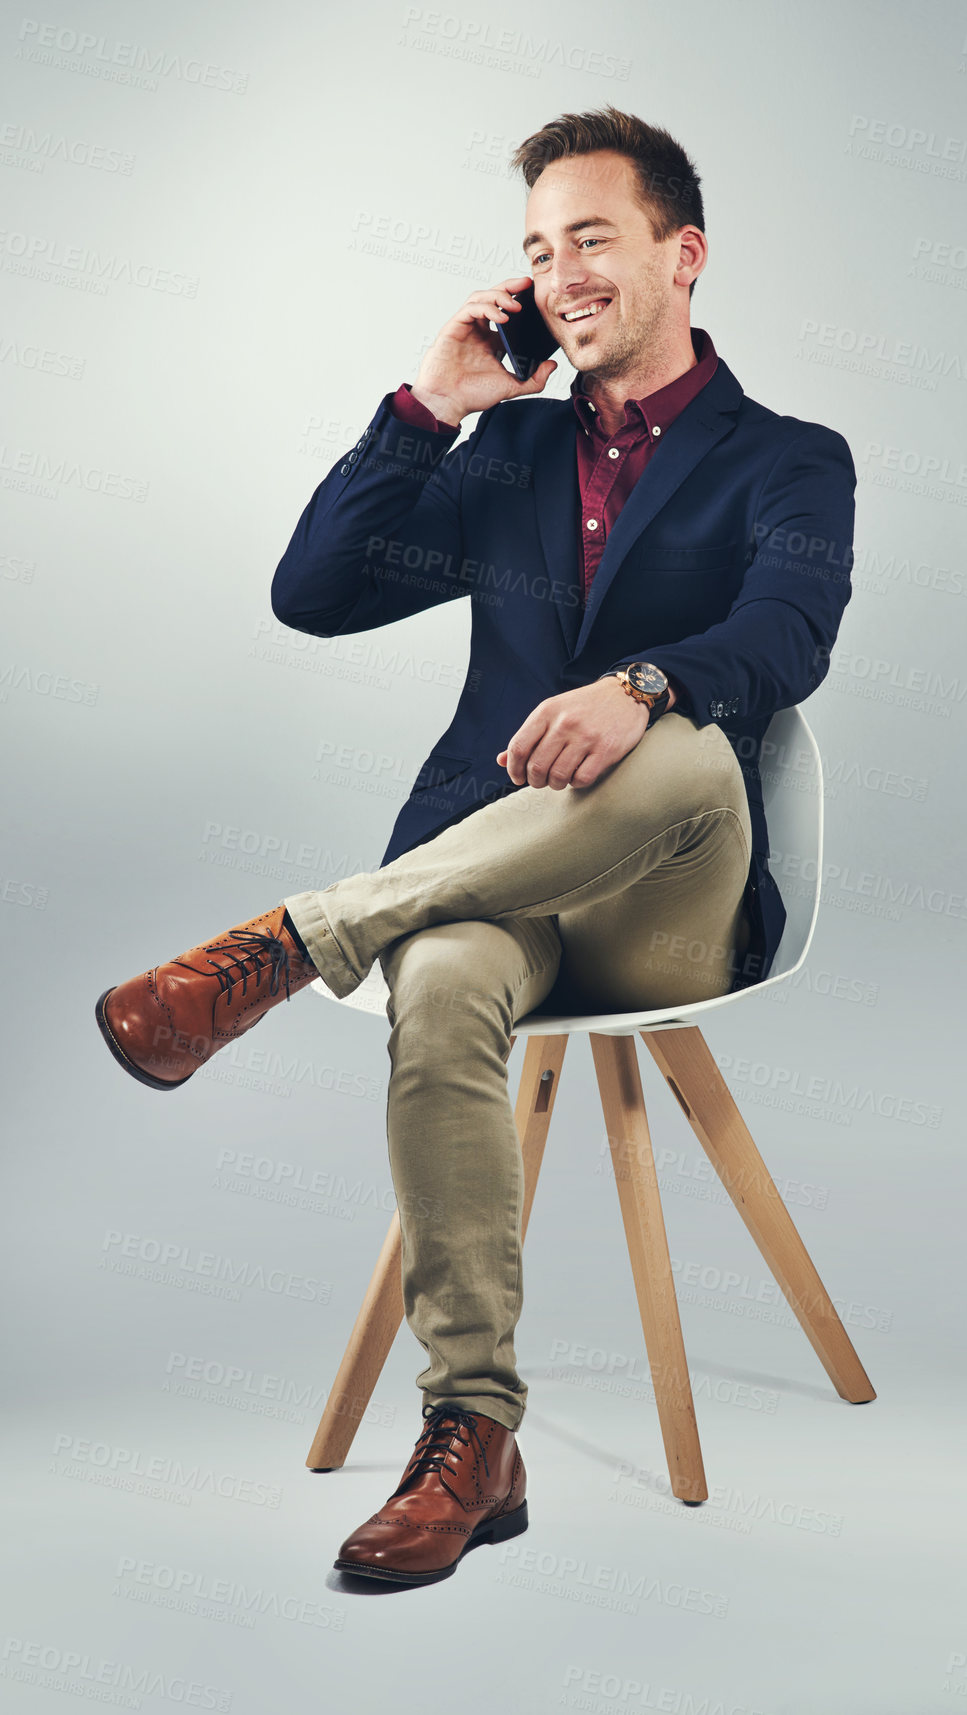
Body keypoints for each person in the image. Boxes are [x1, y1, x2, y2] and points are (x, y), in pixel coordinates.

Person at [94, 105, 857, 1588]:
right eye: (534, 248)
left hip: (670, 887)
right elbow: (313, 595)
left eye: (591, 236)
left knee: (687, 729)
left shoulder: (791, 458)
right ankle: (472, 1438)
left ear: (681, 255)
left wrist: (639, 686)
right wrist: (426, 406)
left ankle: (285, 944)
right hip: (484, 876)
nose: (559, 271)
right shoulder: (503, 456)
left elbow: (789, 633)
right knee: (439, 980)